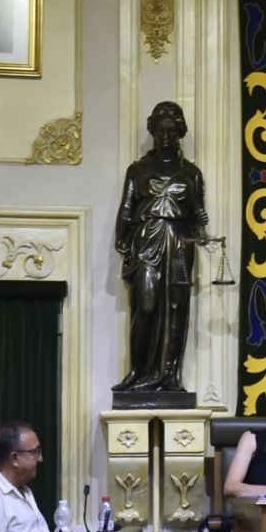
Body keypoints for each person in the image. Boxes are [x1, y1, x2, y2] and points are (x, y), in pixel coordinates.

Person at [114, 101, 210, 394]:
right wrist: (123, 243)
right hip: (147, 239)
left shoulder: (192, 173)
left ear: (180, 132)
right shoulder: (138, 169)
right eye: (160, 130)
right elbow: (126, 209)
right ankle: (137, 372)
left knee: (177, 308)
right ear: (152, 131)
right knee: (146, 305)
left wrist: (200, 220)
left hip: (180, 242)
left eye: (171, 130)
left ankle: (170, 376)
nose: (166, 136)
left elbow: (197, 219)